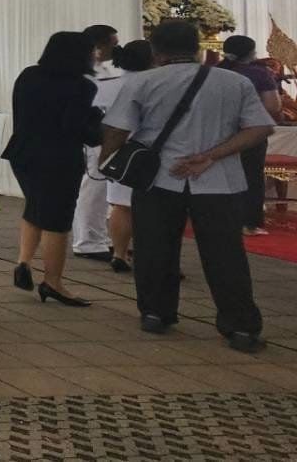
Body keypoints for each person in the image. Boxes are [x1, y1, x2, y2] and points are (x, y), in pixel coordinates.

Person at [102, 20, 275, 351]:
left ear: (156, 51)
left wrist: (105, 162)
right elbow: (260, 128)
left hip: (158, 179)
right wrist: (211, 155)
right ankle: (241, 327)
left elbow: (117, 129)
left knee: (154, 247)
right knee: (226, 253)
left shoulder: (144, 82)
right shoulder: (234, 82)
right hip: (219, 181)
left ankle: (156, 313)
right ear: (198, 47)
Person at [1, 31, 103, 307]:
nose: (95, 55)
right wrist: (96, 121)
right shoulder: (82, 87)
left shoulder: (28, 76)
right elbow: (76, 128)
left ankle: (24, 262)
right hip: (59, 158)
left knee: (35, 206)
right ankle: (53, 282)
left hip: (23, 152)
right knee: (57, 221)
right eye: (92, 50)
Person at [217, 35, 281, 236]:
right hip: (250, 132)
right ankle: (250, 223)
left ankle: (222, 219)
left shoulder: (213, 71)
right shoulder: (259, 73)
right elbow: (273, 106)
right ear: (251, 53)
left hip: (217, 132)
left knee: (220, 174)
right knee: (251, 176)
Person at [104, 40, 157, 273]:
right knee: (153, 207)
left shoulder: (111, 84)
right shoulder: (155, 84)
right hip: (150, 151)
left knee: (121, 205)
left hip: (119, 152)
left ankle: (119, 253)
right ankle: (151, 256)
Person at [71, 25, 123, 262]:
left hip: (106, 133)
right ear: (99, 46)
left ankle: (100, 236)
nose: (117, 48)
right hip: (95, 136)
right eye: (114, 44)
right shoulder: (84, 73)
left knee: (103, 190)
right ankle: (88, 241)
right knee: (94, 187)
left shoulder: (103, 70)